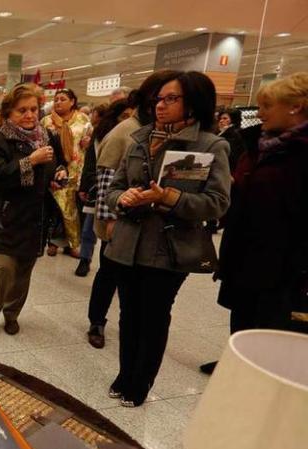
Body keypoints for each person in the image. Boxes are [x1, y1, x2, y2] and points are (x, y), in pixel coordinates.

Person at [105, 71, 231, 407]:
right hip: (128, 243)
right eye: (159, 99)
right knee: (128, 313)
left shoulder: (210, 146)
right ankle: (124, 373)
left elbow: (218, 203)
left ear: (194, 103)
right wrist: (123, 198)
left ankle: (140, 383)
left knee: (154, 317)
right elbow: (114, 187)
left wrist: (170, 198)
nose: (160, 105)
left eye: (170, 99)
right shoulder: (141, 139)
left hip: (169, 249)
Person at [203, 72, 308, 374]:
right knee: (242, 317)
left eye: (267, 106)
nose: (259, 113)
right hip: (244, 253)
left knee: (273, 327)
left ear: (295, 107)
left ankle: (255, 374)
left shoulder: (300, 154)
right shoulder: (256, 145)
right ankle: (237, 361)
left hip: (283, 265)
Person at [89, 73, 174, 348]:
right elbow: (106, 176)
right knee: (108, 273)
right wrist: (109, 219)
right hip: (120, 221)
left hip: (145, 227)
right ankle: (97, 321)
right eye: (160, 100)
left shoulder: (157, 131)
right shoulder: (127, 131)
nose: (163, 106)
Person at [0, 83, 67, 336]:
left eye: (33, 109)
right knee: (2, 270)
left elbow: (57, 164)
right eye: (22, 111)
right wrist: (31, 161)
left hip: (34, 217)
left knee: (23, 273)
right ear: (8, 114)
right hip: (5, 218)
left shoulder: (47, 136)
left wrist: (58, 173)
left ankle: (11, 314)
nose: (29, 115)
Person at [41, 89, 91, 258]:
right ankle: (52, 241)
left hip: (76, 170)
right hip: (53, 169)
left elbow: (91, 142)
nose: (58, 102)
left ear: (72, 101)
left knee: (73, 210)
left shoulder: (83, 120)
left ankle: (72, 243)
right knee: (55, 208)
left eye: (63, 99)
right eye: (56, 99)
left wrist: (88, 143)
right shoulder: (46, 121)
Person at [74, 104, 109, 277]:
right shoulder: (96, 134)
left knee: (109, 230)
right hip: (95, 185)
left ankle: (107, 265)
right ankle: (84, 259)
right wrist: (85, 186)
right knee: (88, 227)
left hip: (113, 187)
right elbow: (89, 160)